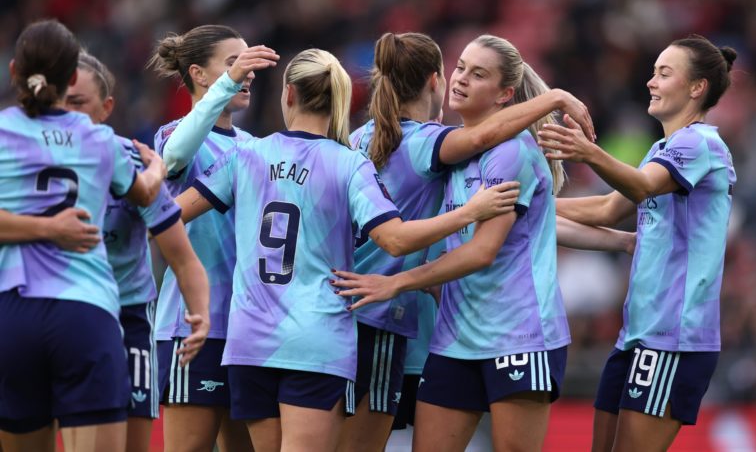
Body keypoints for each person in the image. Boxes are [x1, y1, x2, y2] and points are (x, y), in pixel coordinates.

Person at [173, 48, 520, 452]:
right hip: (316, 340)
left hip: (250, 340)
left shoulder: (246, 154)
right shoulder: (349, 164)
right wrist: (470, 213)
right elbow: (396, 239)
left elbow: (170, 215)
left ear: (288, 95)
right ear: (339, 98)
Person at [333, 34, 633, 452]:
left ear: (505, 93)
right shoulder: (449, 151)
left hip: (519, 335)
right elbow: (537, 223)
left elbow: (483, 249)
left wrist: (398, 283)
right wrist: (619, 242)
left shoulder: (509, 153)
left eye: (478, 74)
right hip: (455, 337)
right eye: (460, 68)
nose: (461, 80)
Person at [538, 35, 737, 452]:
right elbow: (607, 210)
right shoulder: (661, 148)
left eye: (664, 73)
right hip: (636, 335)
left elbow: (644, 187)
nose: (651, 81)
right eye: (653, 72)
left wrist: (589, 153)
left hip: (674, 338)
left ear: (697, 87)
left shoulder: (700, 143)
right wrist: (533, 201)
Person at [0, 20, 165, 452]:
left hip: (12, 312)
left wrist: (40, 228)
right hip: (86, 315)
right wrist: (158, 167)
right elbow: (147, 192)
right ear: (72, 77)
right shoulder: (99, 139)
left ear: (15, 69)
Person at [61, 51, 211, 452]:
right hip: (56, 308)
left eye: (78, 102)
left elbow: (181, 256)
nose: (67, 113)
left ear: (107, 107)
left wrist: (199, 314)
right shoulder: (29, 157)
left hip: (127, 317)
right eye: (61, 102)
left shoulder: (132, 162)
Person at [149, 25, 278, 452]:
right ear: (199, 74)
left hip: (246, 328)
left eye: (247, 64)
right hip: (193, 326)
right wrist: (229, 82)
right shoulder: (172, 136)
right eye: (232, 63)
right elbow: (174, 159)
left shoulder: (255, 146)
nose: (248, 73)